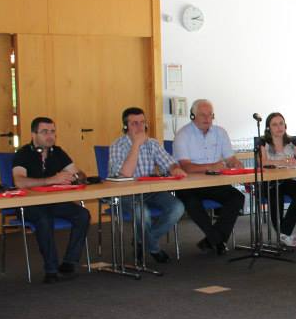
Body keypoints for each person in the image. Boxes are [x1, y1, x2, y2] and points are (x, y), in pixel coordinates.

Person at [12, 116, 91, 284]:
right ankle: (51, 269)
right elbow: (19, 182)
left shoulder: (58, 152)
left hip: (54, 202)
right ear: (34, 134)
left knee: (82, 215)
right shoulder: (23, 154)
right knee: (44, 219)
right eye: (45, 132)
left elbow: (80, 175)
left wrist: (75, 176)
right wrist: (51, 180)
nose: (50, 136)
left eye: (53, 132)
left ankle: (70, 262)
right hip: (29, 204)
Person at [108, 107, 186, 263]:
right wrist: (136, 145)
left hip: (150, 190)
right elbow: (125, 174)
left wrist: (174, 169)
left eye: (142, 122)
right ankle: (153, 247)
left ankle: (141, 240)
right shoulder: (117, 145)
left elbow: (169, 162)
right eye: (134, 123)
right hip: (125, 193)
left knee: (177, 207)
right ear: (125, 126)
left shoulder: (152, 143)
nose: (140, 127)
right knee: (142, 213)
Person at [172, 99, 245, 255]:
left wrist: (235, 163)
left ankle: (211, 240)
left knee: (237, 197)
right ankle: (217, 240)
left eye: (210, 115)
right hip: (188, 185)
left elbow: (230, 158)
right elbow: (185, 167)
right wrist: (210, 167)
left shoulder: (220, 133)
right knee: (191, 203)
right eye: (202, 115)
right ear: (193, 116)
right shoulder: (183, 134)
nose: (207, 118)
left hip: (214, 182)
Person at [260, 112, 296, 248]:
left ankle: (284, 232)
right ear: (268, 128)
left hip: (288, 179)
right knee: (276, 197)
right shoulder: (263, 142)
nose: (279, 127)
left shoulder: (293, 141)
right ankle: (284, 234)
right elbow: (262, 163)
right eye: (275, 125)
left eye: (281, 123)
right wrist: (282, 161)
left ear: (285, 125)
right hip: (270, 181)